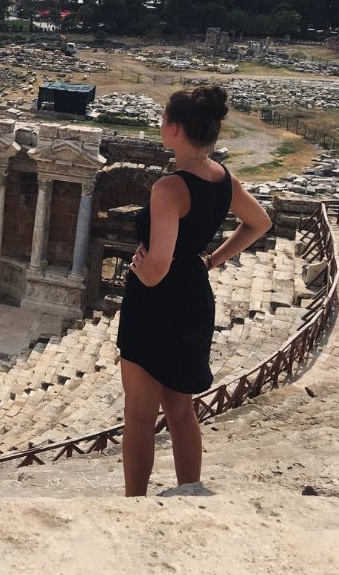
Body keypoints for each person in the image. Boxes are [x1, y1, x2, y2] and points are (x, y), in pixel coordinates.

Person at [117, 85, 271, 497]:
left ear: (174, 129)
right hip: (194, 297)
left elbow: (157, 268)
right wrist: (212, 260)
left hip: (155, 304)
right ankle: (190, 489)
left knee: (138, 415)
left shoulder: (169, 188)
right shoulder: (224, 179)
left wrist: (140, 272)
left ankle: (134, 504)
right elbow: (260, 223)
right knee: (182, 409)